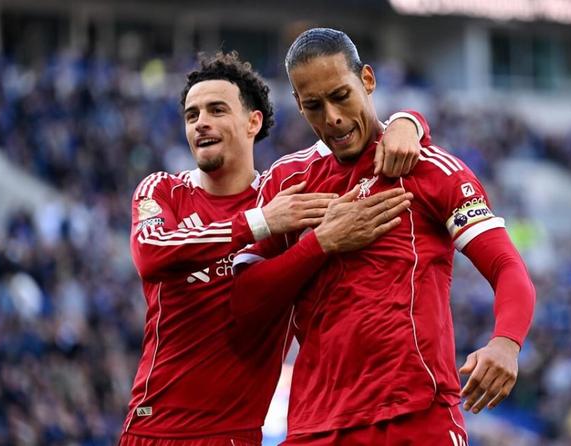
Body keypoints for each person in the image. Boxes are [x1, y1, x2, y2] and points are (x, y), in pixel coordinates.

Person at [231, 28, 536, 445]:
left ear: (368, 80)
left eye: (341, 96)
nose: (332, 117)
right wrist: (320, 244)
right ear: (299, 106)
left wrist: (506, 342)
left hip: (417, 417)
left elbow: (505, 265)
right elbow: (244, 303)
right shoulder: (287, 181)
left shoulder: (430, 169)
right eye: (314, 105)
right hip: (315, 424)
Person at [120, 50, 429, 445]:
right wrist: (260, 222)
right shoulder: (164, 190)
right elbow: (150, 253)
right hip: (152, 427)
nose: (201, 123)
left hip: (236, 434)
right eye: (192, 115)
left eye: (216, 110)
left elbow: (362, 143)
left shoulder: (288, 194)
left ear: (253, 122)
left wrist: (409, 122)